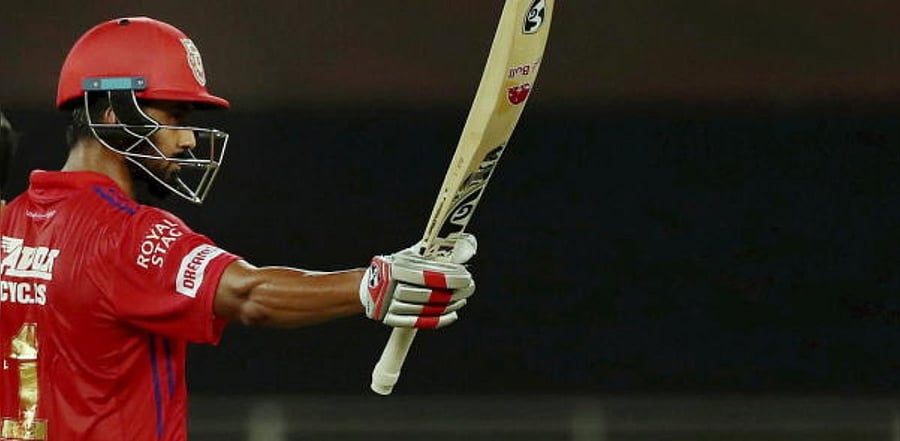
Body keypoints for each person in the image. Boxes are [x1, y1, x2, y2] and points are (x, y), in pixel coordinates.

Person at [0, 16, 477, 441]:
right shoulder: (126, 235)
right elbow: (249, 295)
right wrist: (375, 284)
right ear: (112, 115)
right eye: (174, 116)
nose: (187, 140)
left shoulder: (10, 223)